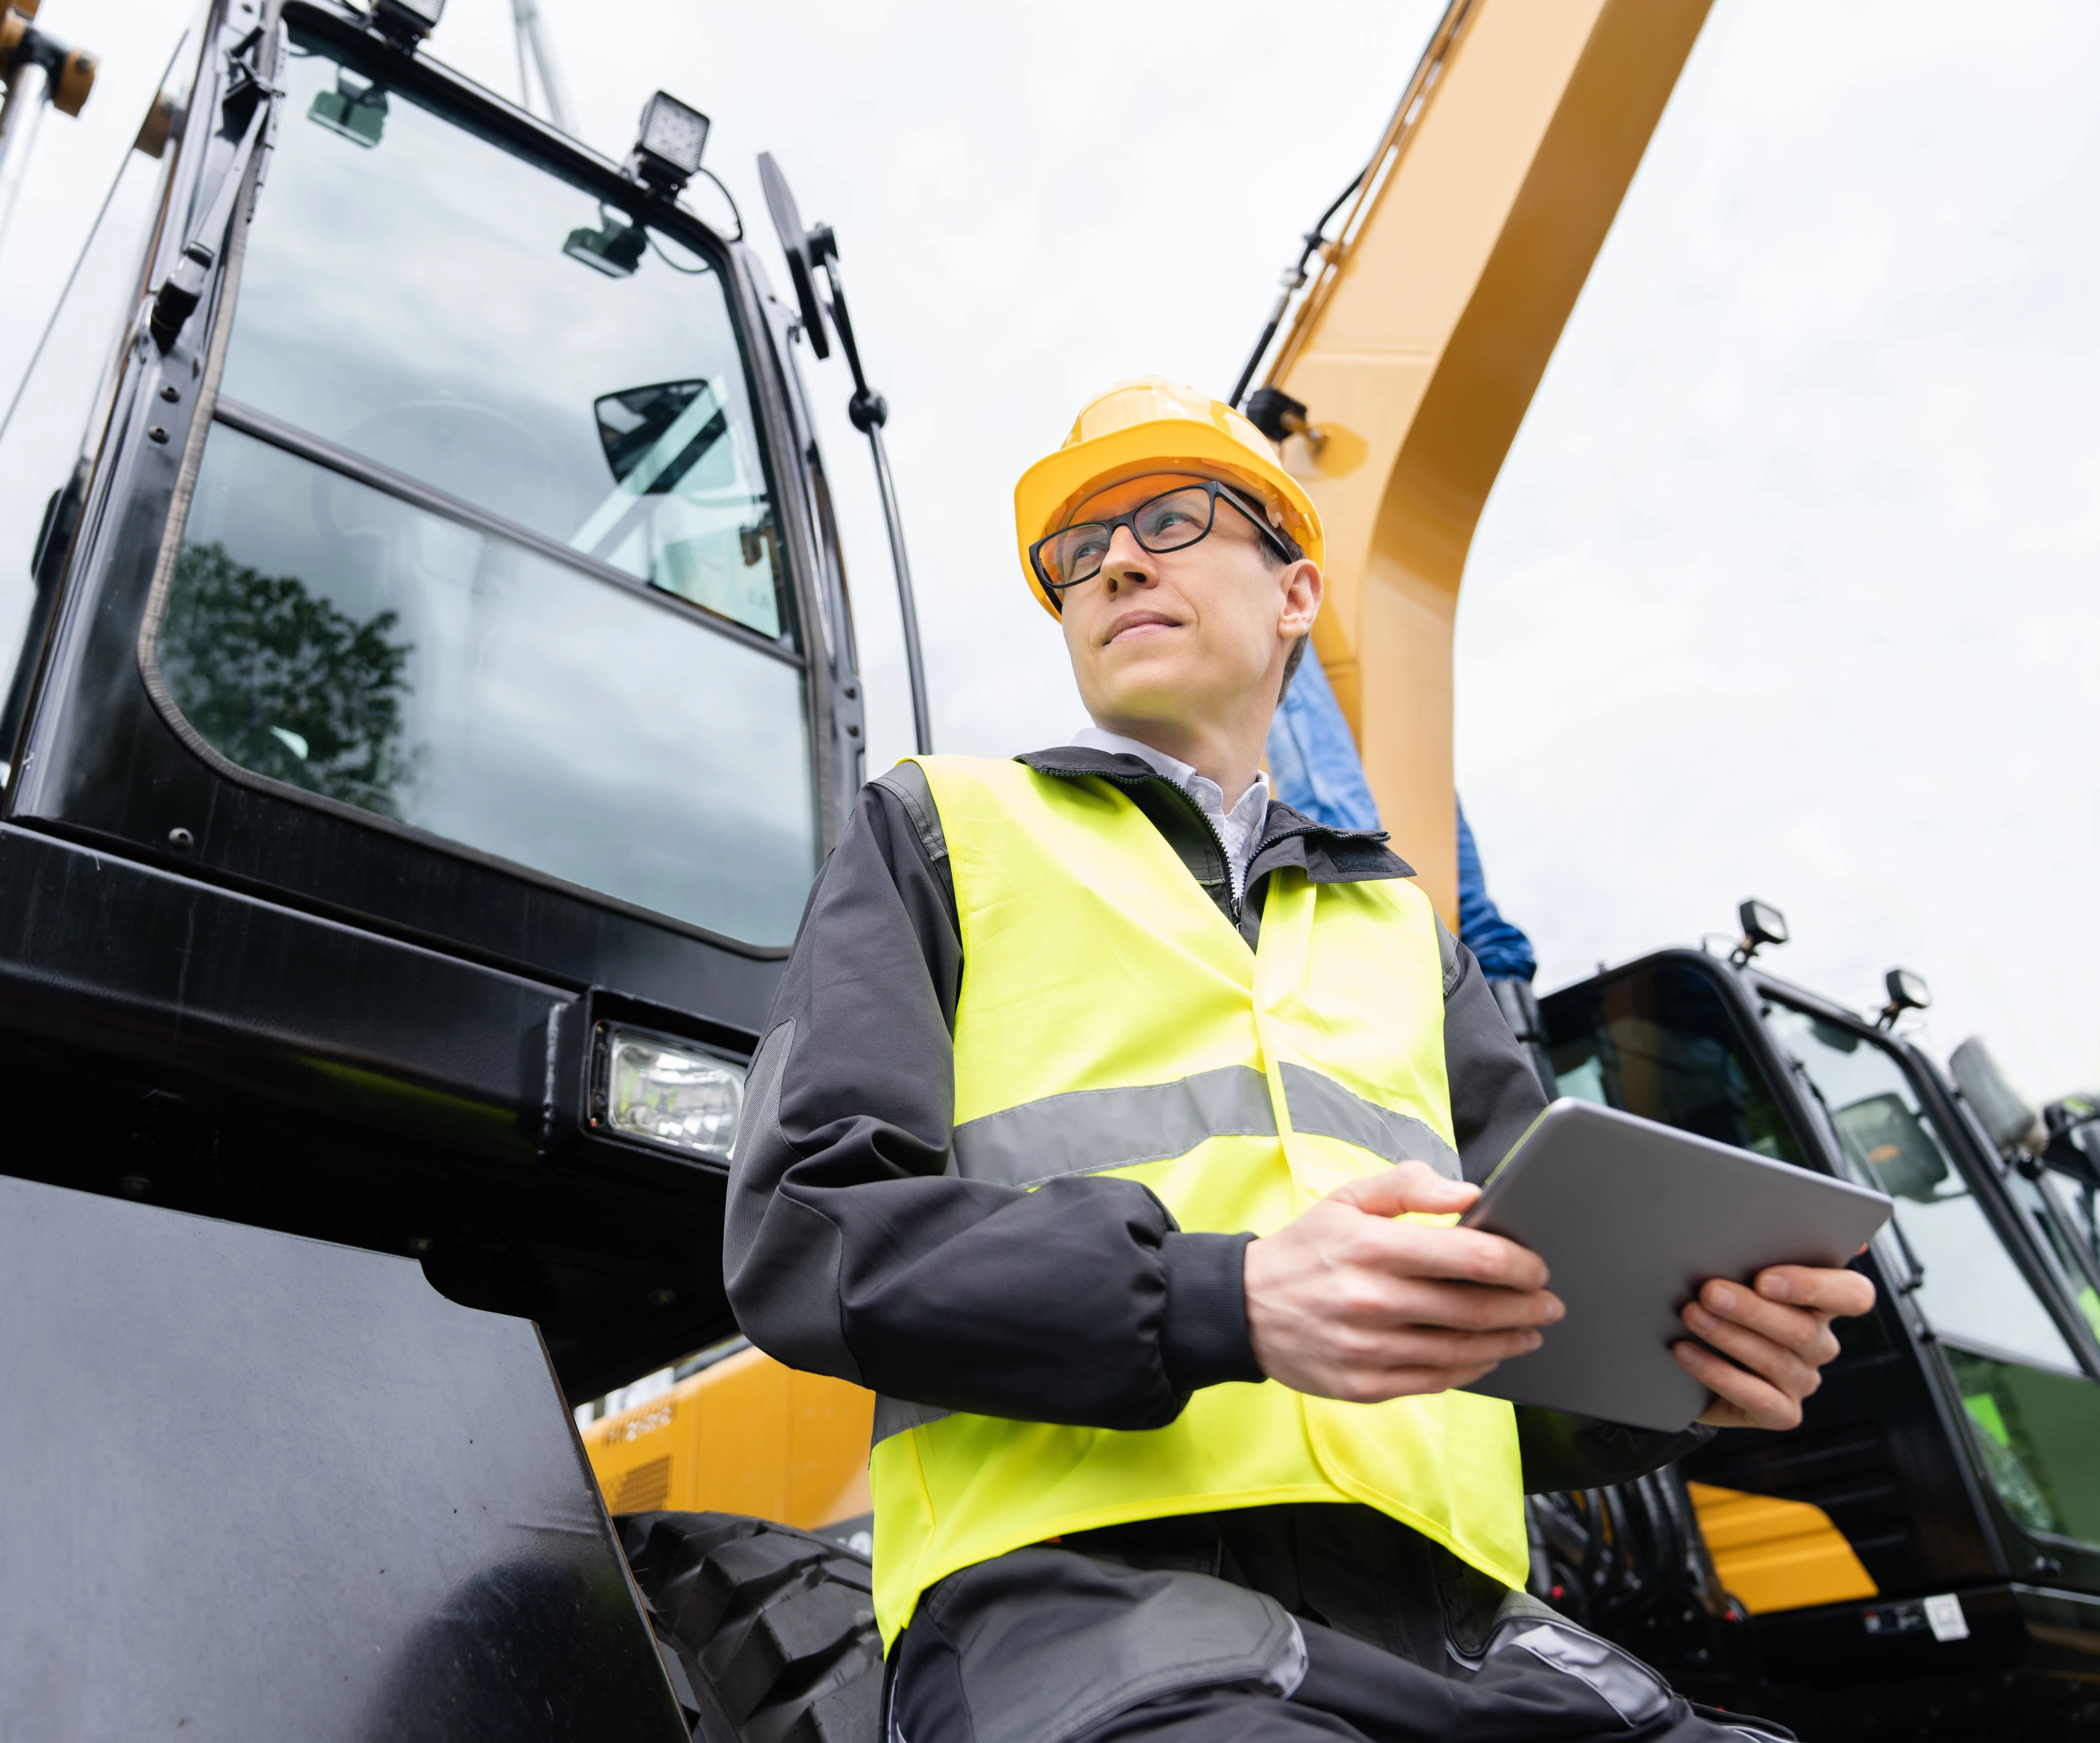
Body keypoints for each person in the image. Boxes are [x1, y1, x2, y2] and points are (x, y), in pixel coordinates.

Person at [720, 378, 1875, 1743]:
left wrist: (1684, 1368)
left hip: (1463, 1629)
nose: (1117, 563)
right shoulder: (937, 831)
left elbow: (1529, 1339)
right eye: (1076, 553)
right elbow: (803, 1232)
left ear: (1294, 594)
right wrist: (1234, 1297)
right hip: (1077, 1610)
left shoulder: (1404, 933)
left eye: (1171, 516)